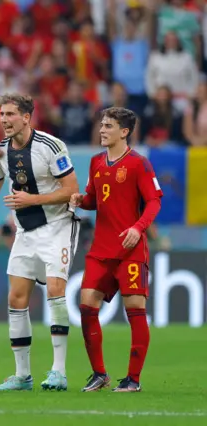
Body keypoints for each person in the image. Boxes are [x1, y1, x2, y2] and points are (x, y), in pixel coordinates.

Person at [0, 93, 80, 392]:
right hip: (26, 231)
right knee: (16, 298)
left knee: (56, 290)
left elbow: (72, 189)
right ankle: (22, 375)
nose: (4, 120)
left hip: (58, 225)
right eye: (1, 114)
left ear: (26, 117)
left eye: (10, 114)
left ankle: (58, 371)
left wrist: (32, 199)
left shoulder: (51, 145)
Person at [70, 107, 163, 392]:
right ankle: (100, 374)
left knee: (134, 308)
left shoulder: (139, 164)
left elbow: (154, 202)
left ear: (124, 132)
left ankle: (133, 379)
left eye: (108, 126)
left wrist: (138, 228)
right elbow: (94, 199)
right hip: (100, 248)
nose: (102, 130)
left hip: (129, 249)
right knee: (86, 305)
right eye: (101, 125)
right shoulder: (96, 162)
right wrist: (79, 200)